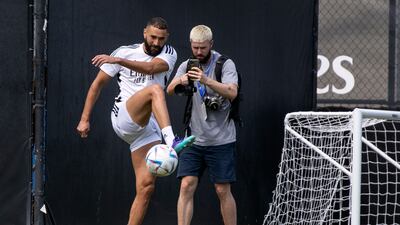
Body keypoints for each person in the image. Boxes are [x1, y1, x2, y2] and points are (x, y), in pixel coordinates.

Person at [76, 17, 195, 225]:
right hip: (124, 116)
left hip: (148, 127)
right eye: (153, 37)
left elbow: (151, 69)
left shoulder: (169, 53)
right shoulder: (124, 51)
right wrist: (84, 119)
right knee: (155, 90)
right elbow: (97, 86)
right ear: (144, 33)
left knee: (146, 187)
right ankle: (172, 141)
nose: (157, 43)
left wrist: (119, 62)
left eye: (161, 38)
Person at [166, 25, 238, 225]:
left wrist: (206, 80)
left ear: (211, 44)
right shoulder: (187, 64)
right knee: (186, 185)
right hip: (193, 139)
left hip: (222, 139)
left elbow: (233, 92)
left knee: (222, 190)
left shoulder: (225, 64)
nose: (199, 52)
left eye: (203, 48)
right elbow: (169, 90)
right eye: (195, 47)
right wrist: (181, 79)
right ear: (191, 44)